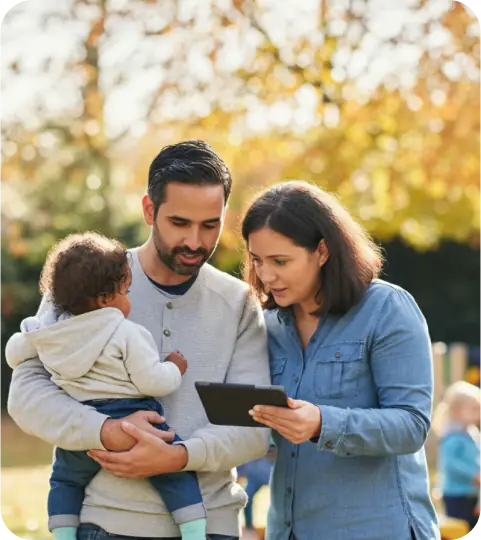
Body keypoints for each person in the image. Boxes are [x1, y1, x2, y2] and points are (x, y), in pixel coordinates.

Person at [6, 140, 271, 540]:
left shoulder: (238, 304)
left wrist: (178, 457)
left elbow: (253, 428)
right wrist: (104, 429)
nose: (196, 242)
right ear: (149, 210)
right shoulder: (84, 281)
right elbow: (25, 398)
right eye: (180, 223)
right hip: (106, 526)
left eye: (210, 225)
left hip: (211, 526)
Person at [240, 181, 440, 540]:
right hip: (288, 530)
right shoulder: (267, 325)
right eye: (257, 260)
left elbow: (412, 425)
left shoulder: (387, 310)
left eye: (280, 261)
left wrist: (321, 423)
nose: (266, 276)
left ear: (322, 251)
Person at [6, 232, 207, 540]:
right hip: (132, 417)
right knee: (174, 473)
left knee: (65, 481)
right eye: (125, 292)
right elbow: (153, 381)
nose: (129, 300)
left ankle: (63, 534)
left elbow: (16, 352)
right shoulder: (126, 333)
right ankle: (194, 532)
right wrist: (173, 367)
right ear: (103, 300)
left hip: (80, 424)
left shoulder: (49, 334)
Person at [433, 381, 481, 535]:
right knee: (458, 528)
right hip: (455, 493)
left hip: (471, 492)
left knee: (471, 527)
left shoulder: (472, 434)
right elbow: (452, 464)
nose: (478, 413)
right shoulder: (452, 437)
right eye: (474, 409)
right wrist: (473, 475)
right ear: (457, 411)